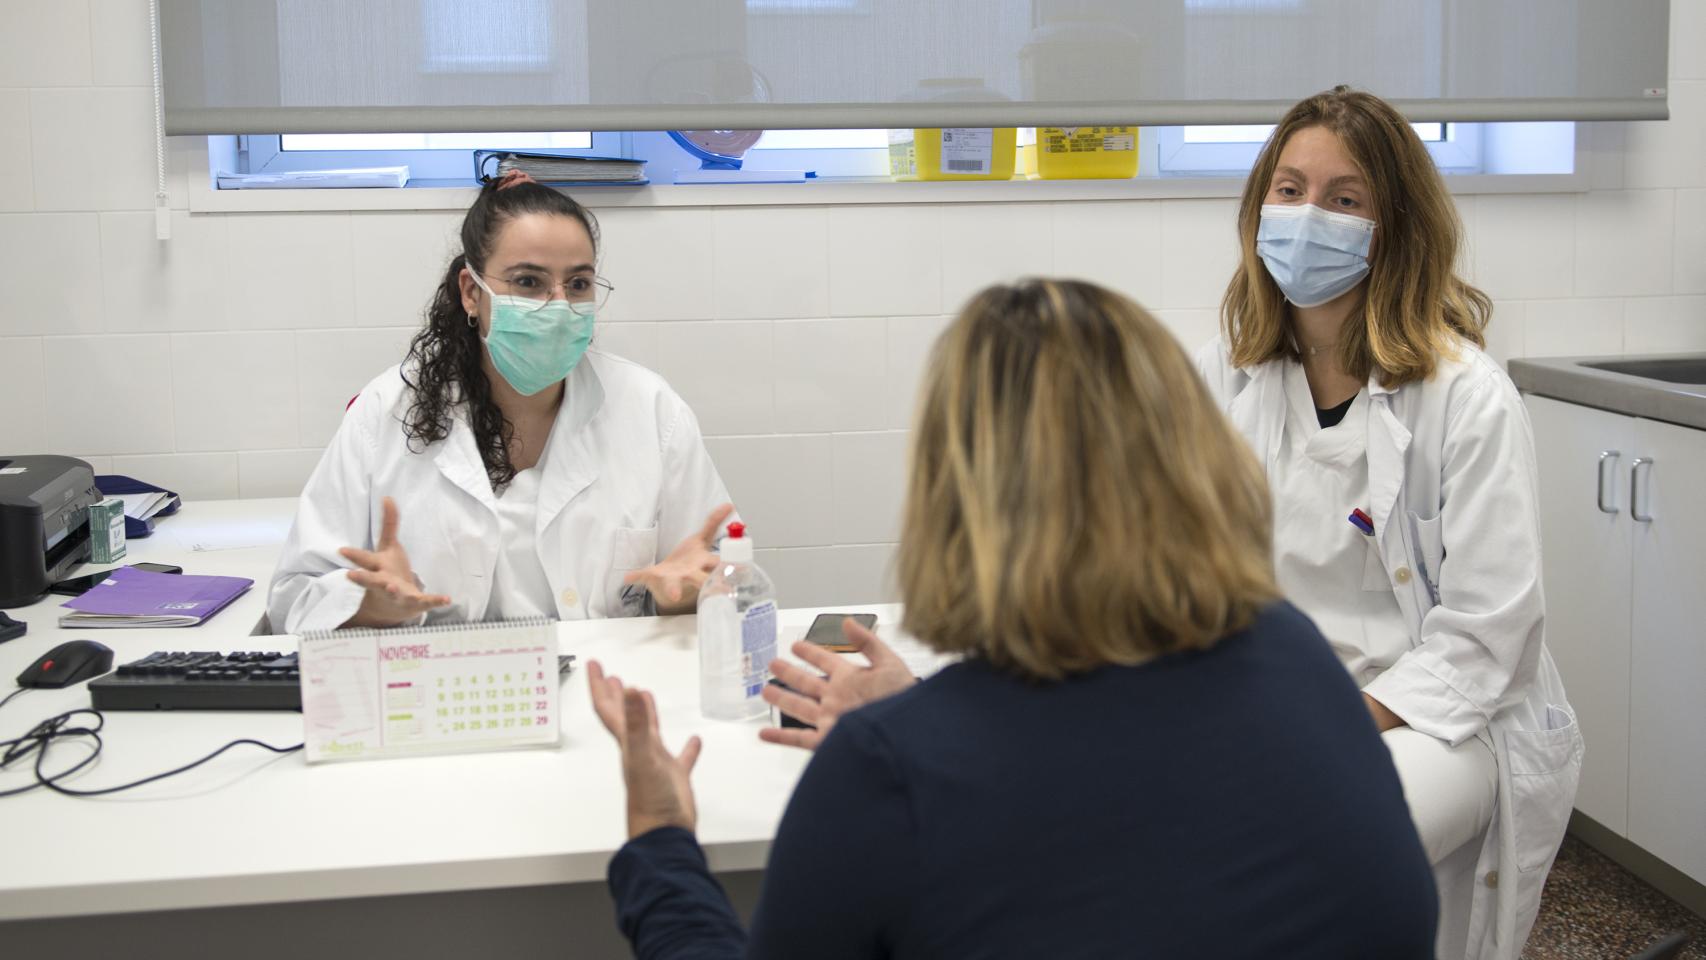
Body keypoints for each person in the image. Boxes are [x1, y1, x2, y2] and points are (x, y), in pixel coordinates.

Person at [589, 278, 1438, 959]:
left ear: (955, 493)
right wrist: (925, 711)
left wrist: (662, 843)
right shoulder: (1293, 653)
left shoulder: (885, 772)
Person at [1196, 87, 1582, 960]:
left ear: (1392, 226)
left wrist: (1325, 717)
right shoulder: (1229, 371)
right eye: (1288, 190)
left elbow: (1489, 636)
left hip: (1435, 714)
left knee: (1304, 849)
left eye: (1344, 199)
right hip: (1279, 698)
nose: (1306, 216)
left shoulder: (1466, 398)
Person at [268, 170, 734, 634]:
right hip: (442, 691)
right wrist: (370, 606)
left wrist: (690, 596)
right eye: (529, 282)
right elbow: (294, 595)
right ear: (472, 292)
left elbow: (716, 574)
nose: (558, 306)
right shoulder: (386, 410)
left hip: (604, 688)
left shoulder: (650, 408)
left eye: (577, 285)